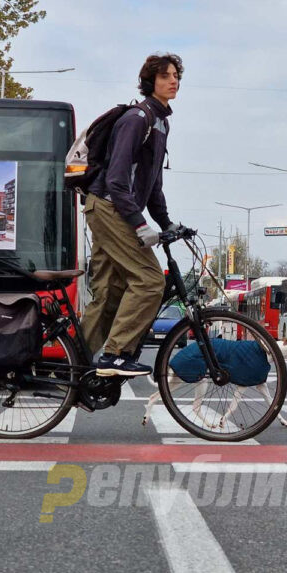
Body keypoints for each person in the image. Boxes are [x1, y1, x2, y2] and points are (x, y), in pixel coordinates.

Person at [80, 52, 183, 376]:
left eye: (176, 75)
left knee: (109, 295)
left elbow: (152, 185)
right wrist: (140, 226)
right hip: (108, 206)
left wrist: (167, 223)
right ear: (150, 80)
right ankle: (115, 354)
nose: (173, 81)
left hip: (114, 208)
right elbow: (116, 179)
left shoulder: (160, 123)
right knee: (150, 281)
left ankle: (73, 369)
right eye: (166, 75)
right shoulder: (137, 119)